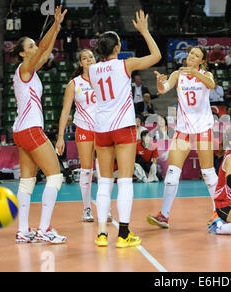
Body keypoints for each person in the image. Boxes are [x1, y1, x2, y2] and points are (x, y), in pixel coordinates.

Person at [88, 10, 162, 247]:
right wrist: (144, 31)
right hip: (123, 127)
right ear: (117, 48)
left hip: (101, 128)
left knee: (105, 182)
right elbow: (157, 55)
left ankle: (101, 234)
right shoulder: (125, 65)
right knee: (125, 182)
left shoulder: (91, 70)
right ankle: (123, 234)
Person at [9, 6, 67, 244]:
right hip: (31, 130)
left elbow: (46, 51)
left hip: (20, 131)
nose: (35, 48)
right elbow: (43, 48)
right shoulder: (24, 68)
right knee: (55, 177)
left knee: (27, 180)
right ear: (23, 54)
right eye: (30, 46)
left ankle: (23, 231)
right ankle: (44, 229)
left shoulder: (28, 69)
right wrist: (54, 24)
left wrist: (57, 26)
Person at [148, 46, 219, 228]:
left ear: (202, 61)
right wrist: (159, 82)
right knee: (172, 173)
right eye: (190, 54)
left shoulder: (206, 74)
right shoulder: (178, 75)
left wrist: (195, 72)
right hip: (183, 129)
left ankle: (218, 211)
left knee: (208, 172)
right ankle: (164, 215)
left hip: (203, 128)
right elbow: (163, 89)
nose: (191, 57)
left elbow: (211, 85)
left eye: (196, 55)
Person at [56, 49, 97, 223]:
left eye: (91, 57)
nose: (88, 60)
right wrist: (60, 137)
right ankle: (87, 208)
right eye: (84, 58)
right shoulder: (75, 83)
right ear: (81, 63)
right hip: (85, 128)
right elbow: (65, 111)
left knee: (104, 170)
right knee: (87, 169)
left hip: (103, 128)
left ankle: (104, 206)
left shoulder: (103, 80)